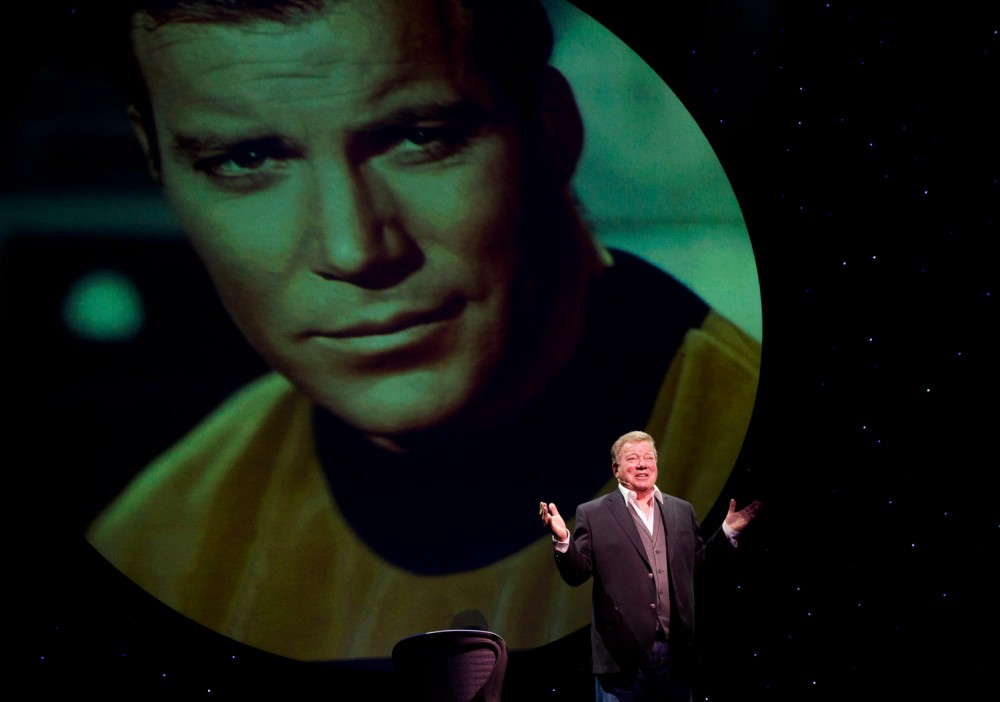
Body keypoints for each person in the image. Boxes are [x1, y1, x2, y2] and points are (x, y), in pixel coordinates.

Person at [86, 0, 761, 663]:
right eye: (246, 157)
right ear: (154, 162)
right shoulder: (158, 542)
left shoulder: (733, 468)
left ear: (550, 130)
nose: (353, 249)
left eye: (419, 136)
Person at [540, 430, 760, 702]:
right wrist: (563, 540)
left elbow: (698, 566)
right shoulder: (593, 513)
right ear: (616, 469)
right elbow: (577, 573)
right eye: (632, 458)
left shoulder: (681, 510)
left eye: (648, 457)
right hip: (621, 657)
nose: (642, 464)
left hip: (676, 655)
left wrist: (726, 533)